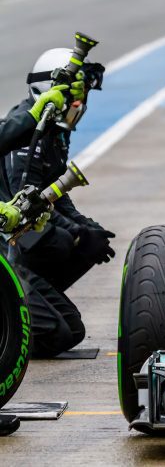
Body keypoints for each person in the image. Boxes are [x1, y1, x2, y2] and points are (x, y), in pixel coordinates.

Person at [3, 49, 113, 357]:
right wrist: (74, 233)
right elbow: (27, 200)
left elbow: (55, 193)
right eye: (73, 96)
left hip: (16, 245)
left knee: (72, 330)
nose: (79, 104)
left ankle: (24, 301)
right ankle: (10, 312)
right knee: (54, 334)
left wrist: (86, 228)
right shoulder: (27, 130)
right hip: (9, 246)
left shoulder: (54, 132)